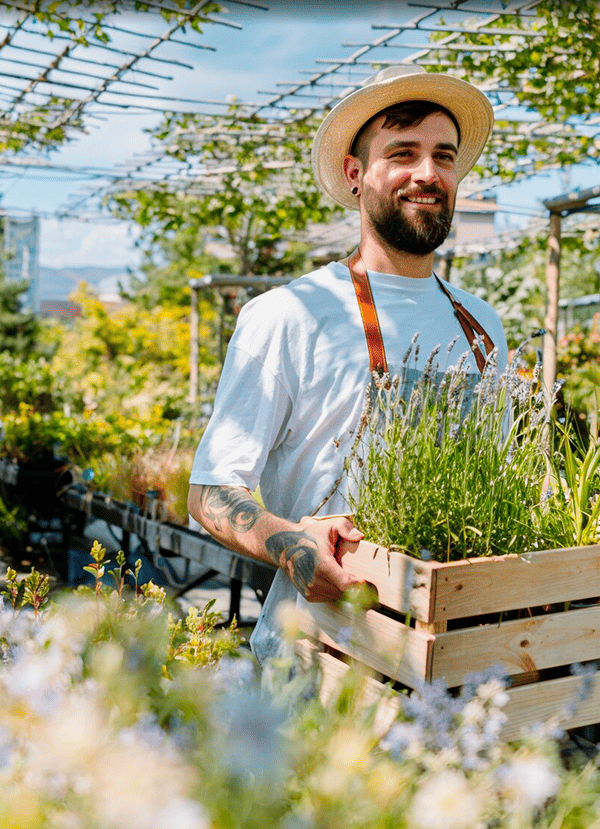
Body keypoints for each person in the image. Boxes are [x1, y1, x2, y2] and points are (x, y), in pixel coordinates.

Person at [186, 65, 508, 661]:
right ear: (356, 174)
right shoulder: (290, 313)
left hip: (454, 662)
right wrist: (290, 543)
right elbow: (209, 492)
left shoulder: (484, 327)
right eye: (403, 153)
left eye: (443, 156)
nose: (428, 172)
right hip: (322, 666)